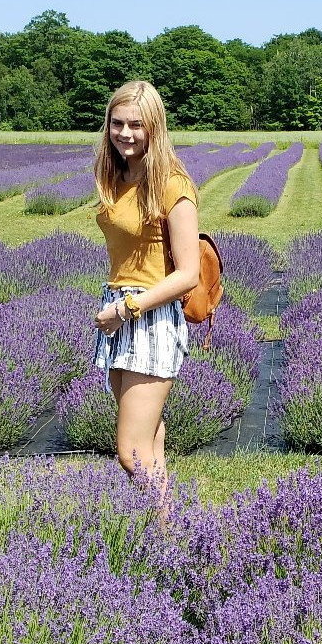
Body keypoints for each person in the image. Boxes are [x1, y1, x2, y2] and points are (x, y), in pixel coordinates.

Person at [92, 80, 200, 517]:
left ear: (154, 126)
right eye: (117, 123)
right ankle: (163, 536)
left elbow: (189, 273)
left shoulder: (173, 184)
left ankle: (168, 541)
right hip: (119, 310)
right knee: (150, 441)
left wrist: (126, 309)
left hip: (147, 317)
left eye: (136, 124)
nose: (125, 133)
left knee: (130, 452)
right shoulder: (117, 174)